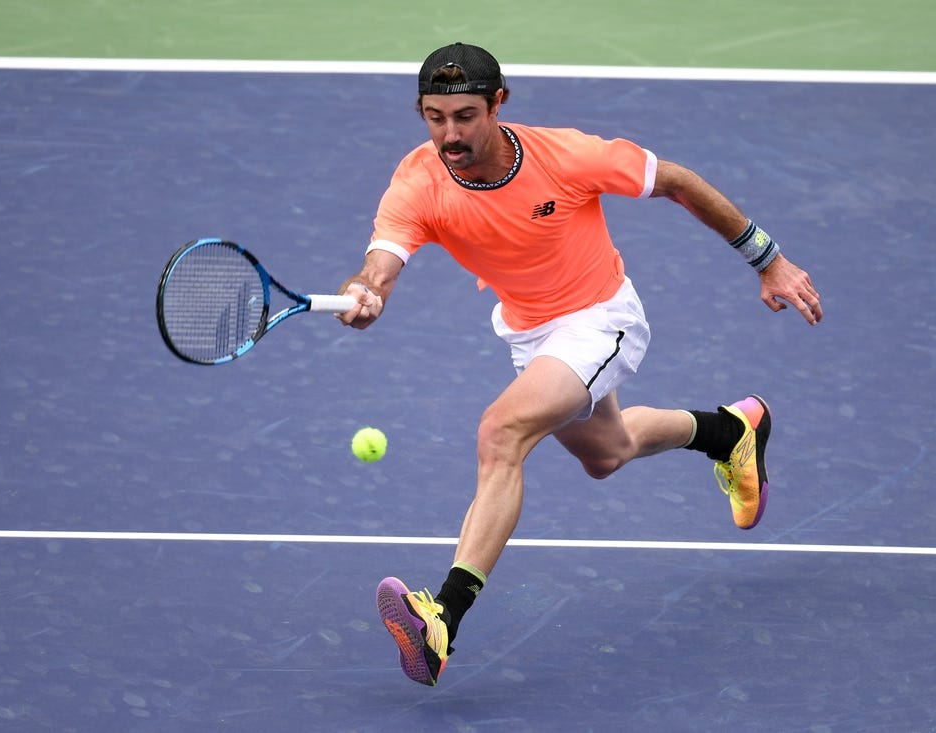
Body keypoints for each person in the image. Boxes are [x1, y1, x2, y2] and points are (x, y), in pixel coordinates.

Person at [336, 42, 822, 687]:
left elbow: (674, 180)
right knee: (607, 453)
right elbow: (383, 261)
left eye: (464, 116)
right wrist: (368, 290)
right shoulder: (419, 179)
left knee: (501, 432)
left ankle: (443, 617)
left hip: (600, 319)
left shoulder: (566, 156)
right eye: (434, 117)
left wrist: (769, 259)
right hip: (529, 332)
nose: (448, 134)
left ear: (498, 104)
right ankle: (730, 431)